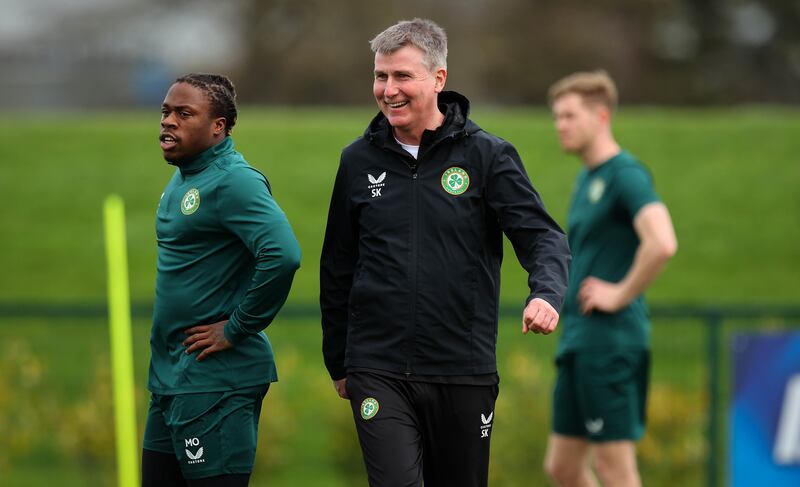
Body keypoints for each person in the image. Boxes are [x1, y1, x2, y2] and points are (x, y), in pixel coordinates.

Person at [320, 18, 570, 487]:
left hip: (462, 368)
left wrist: (547, 293)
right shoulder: (357, 161)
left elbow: (542, 236)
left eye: (401, 76)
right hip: (379, 368)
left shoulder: (487, 156)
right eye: (380, 76)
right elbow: (337, 265)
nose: (388, 89)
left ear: (438, 79)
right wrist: (340, 359)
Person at [142, 73, 301, 487]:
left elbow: (282, 255)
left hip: (216, 382)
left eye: (184, 113)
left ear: (219, 126)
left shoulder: (235, 180)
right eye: (165, 112)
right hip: (173, 378)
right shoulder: (184, 179)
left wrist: (237, 328)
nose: (168, 121)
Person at [543, 71, 678, 487]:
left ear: (601, 116)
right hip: (579, 341)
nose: (560, 125)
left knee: (614, 469)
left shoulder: (625, 174)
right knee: (562, 468)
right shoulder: (587, 178)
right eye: (557, 117)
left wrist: (619, 294)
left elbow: (662, 242)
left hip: (610, 342)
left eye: (569, 116)